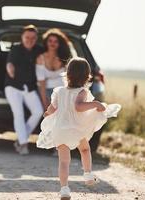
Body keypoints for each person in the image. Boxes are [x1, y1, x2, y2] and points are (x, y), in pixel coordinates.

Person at [36, 57, 121, 199]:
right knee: (85, 149)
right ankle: (87, 174)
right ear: (87, 77)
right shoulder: (82, 92)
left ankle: (64, 189)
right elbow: (79, 107)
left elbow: (52, 108)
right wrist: (95, 104)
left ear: (67, 74)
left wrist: (47, 113)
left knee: (64, 161)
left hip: (60, 130)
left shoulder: (59, 91)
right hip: (75, 130)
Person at [4, 25, 44, 155]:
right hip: (13, 86)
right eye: (27, 37)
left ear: (36, 38)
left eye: (33, 38)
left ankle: (21, 139)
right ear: (22, 37)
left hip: (29, 87)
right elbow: (10, 63)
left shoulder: (39, 50)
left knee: (38, 111)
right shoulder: (16, 49)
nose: (30, 40)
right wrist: (10, 68)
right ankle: (23, 144)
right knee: (19, 114)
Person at [36, 28, 71, 110]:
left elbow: (69, 79)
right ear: (46, 42)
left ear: (59, 44)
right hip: (46, 90)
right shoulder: (40, 58)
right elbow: (41, 82)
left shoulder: (64, 58)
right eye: (50, 41)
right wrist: (44, 101)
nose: (52, 43)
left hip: (63, 91)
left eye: (56, 41)